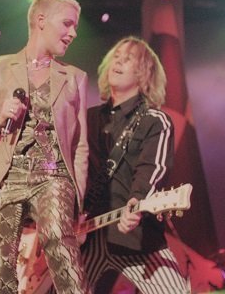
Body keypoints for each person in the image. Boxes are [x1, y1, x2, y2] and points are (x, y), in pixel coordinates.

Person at [0, 0, 91, 294]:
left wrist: (78, 201)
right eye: (67, 23)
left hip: (53, 174)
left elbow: (80, 145)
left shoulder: (74, 78)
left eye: (76, 27)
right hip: (4, 179)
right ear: (41, 20)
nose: (73, 33)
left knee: (58, 237)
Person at [81, 36, 190, 293]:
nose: (118, 61)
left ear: (143, 74)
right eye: (115, 57)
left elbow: (152, 168)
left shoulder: (154, 120)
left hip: (135, 237)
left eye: (127, 59)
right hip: (86, 237)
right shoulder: (88, 118)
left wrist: (137, 199)